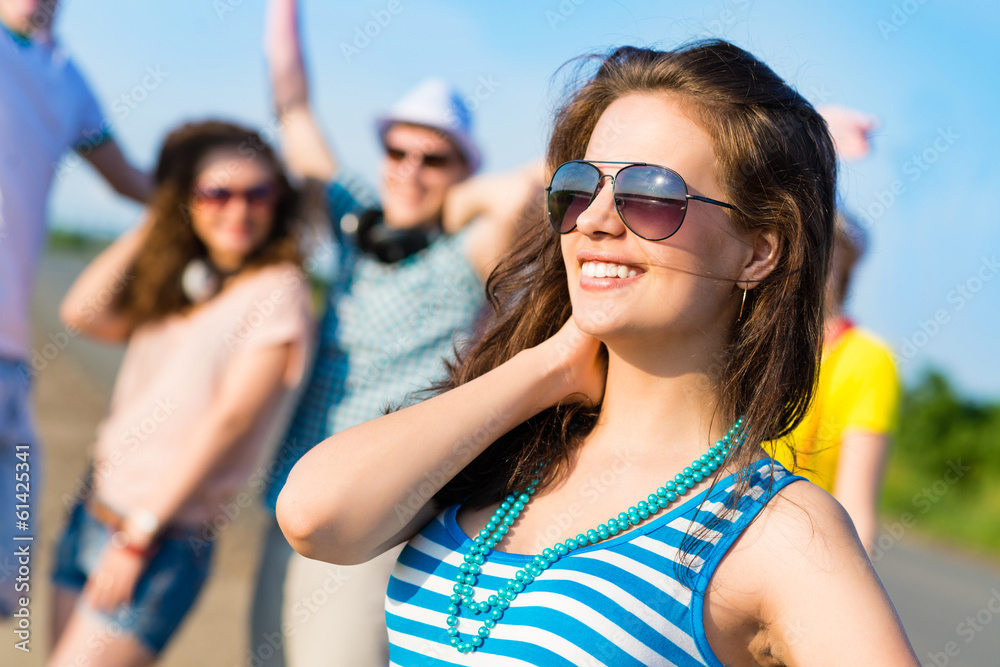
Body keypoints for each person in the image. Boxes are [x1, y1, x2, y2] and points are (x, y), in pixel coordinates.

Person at [276, 41, 920, 664]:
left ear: (758, 251)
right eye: (579, 187)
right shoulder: (512, 442)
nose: (594, 219)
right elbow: (315, 516)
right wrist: (548, 366)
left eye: (653, 194)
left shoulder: (775, 529)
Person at [249, 1, 544, 664]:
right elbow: (293, 111)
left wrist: (454, 205)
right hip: (291, 491)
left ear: (462, 169)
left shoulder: (472, 251)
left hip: (380, 512)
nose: (409, 168)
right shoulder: (356, 226)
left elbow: (524, 194)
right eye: (397, 149)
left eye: (434, 158)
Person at [47, 120, 314, 665]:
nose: (238, 209)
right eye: (216, 192)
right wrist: (158, 216)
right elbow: (81, 312)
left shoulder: (279, 289)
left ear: (277, 201)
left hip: (158, 539)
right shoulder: (186, 283)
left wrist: (140, 535)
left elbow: (232, 419)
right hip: (92, 510)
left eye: (256, 192)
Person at [0, 0, 150, 617]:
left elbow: (127, 180)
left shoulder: (67, 78)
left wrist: (214, 195)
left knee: (12, 585)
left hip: (11, 360)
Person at [769, 106, 900, 553]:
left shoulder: (866, 358)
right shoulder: (752, 333)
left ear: (845, 260)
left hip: (799, 547)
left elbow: (856, 504)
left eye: (824, 244)